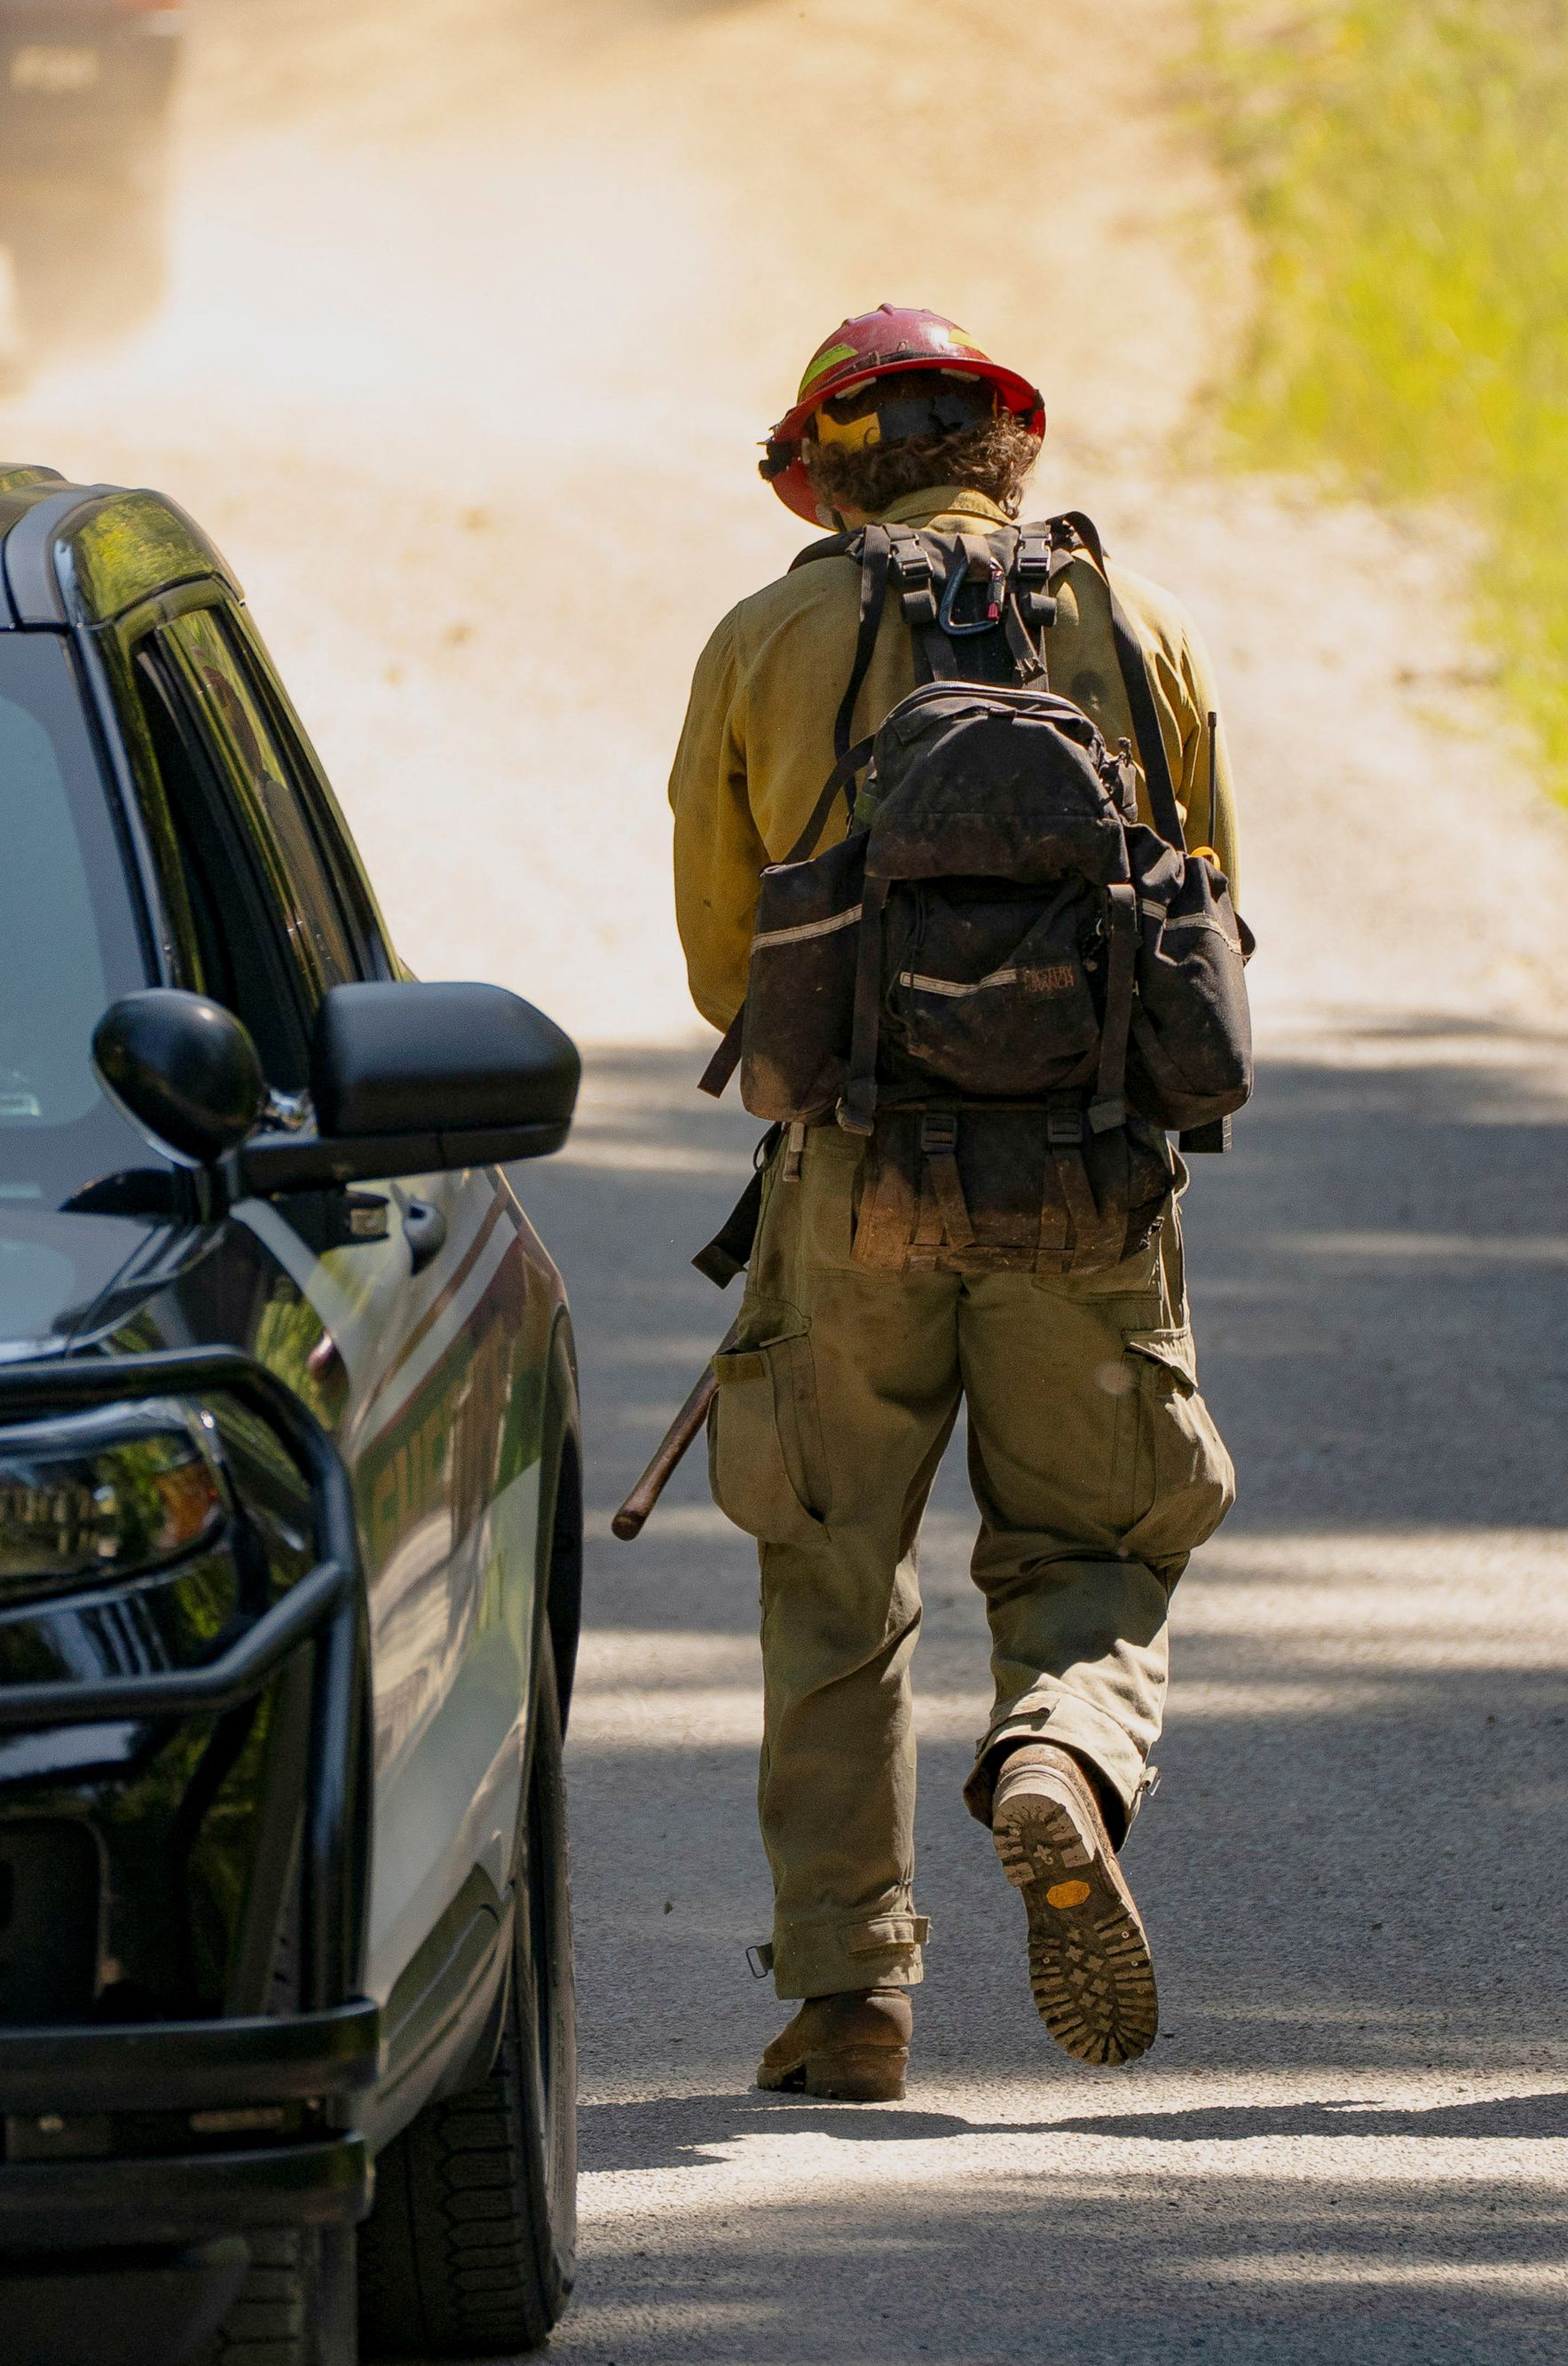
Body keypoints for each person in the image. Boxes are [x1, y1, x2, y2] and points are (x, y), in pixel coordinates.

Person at [668, 306, 1239, 2100]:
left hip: (853, 1179)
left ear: (828, 460)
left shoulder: (770, 632)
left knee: (832, 1577)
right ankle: (1059, 1749)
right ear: (1012, 444)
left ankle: (848, 1999)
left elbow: (717, 962)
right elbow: (1204, 926)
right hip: (1088, 1178)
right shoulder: (1137, 630)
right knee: (1092, 1546)